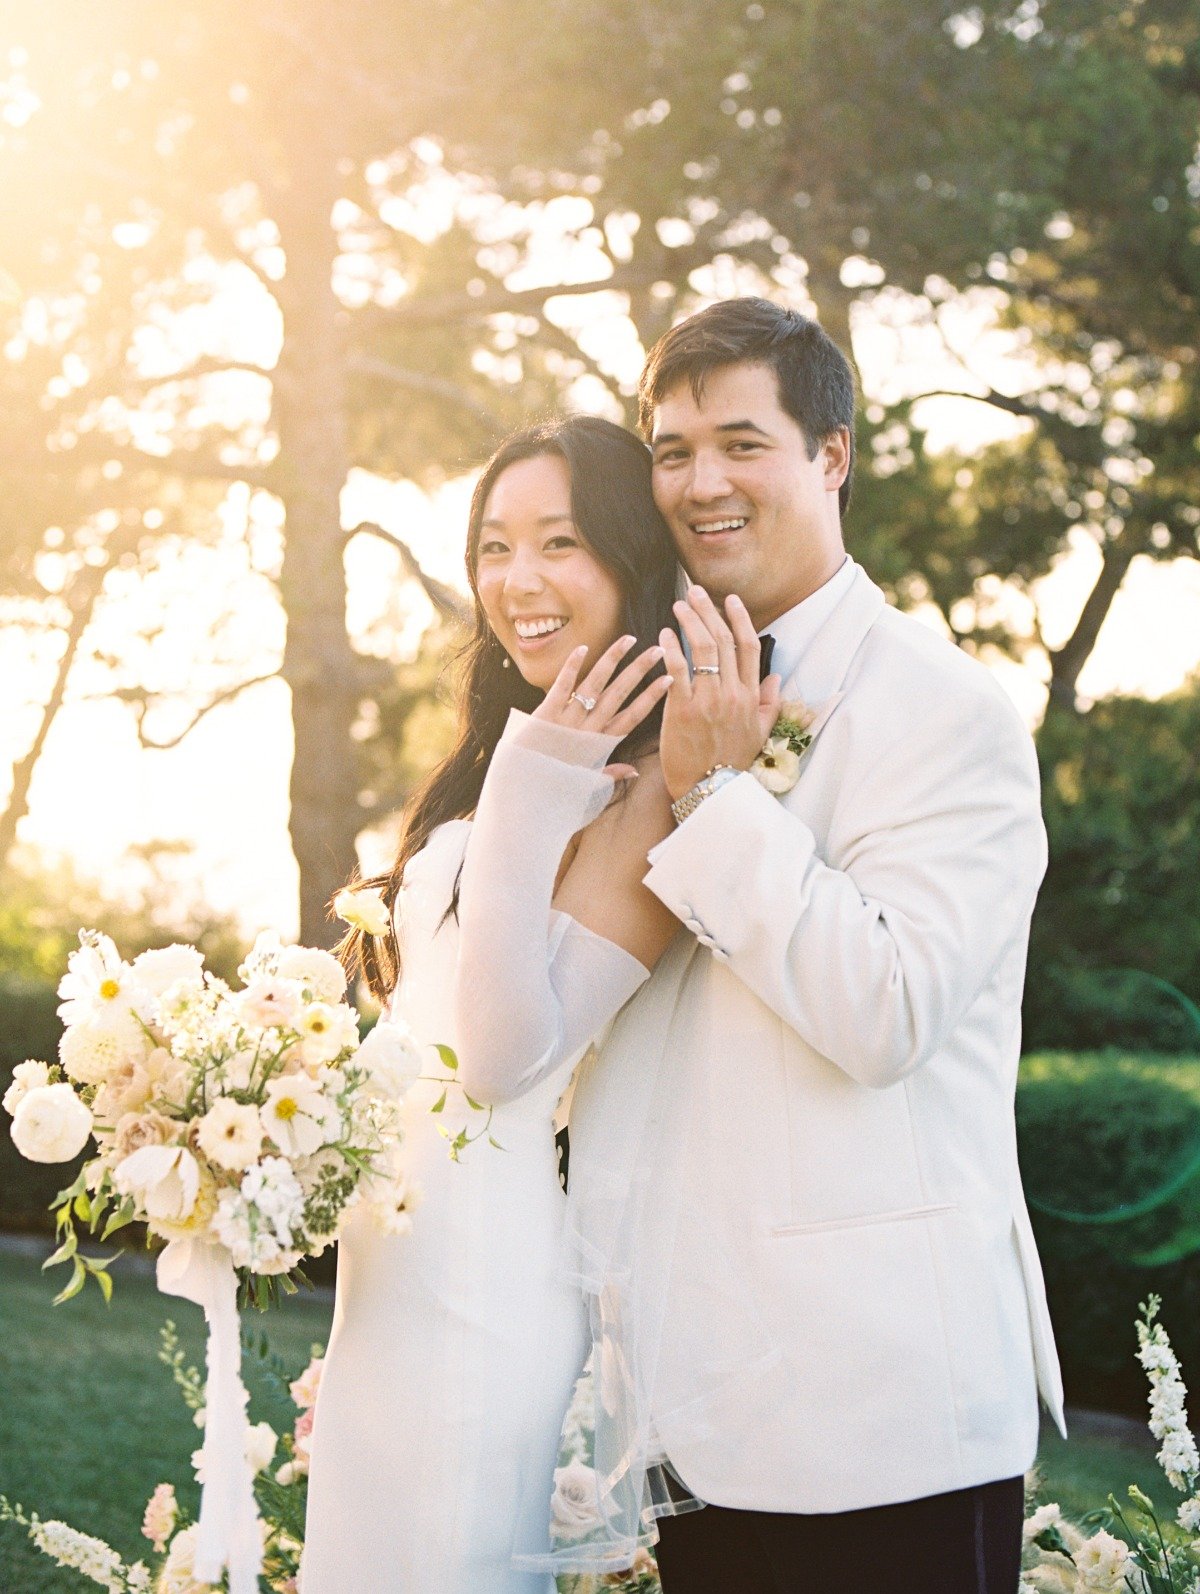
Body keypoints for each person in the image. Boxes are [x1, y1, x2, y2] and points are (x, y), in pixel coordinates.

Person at [464, 299, 1066, 1592]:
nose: (700, 482)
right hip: (690, 1412)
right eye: (671, 450)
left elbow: (891, 1011)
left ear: (833, 456)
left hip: (880, 1417)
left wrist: (726, 801)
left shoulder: (943, 709)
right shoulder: (649, 691)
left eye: (742, 442)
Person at [301, 415, 682, 1594]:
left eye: (560, 542)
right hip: (393, 1268)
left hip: (492, 1277)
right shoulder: (511, 747)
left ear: (629, 558)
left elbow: (507, 1057)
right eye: (495, 545)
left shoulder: (657, 783)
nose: (518, 580)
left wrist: (530, 793)